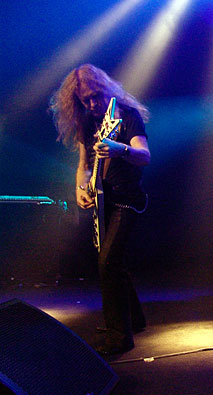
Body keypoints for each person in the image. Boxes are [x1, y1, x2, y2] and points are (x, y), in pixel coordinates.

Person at [50, 64, 150, 355]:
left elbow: (145, 156)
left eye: (96, 96)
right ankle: (135, 320)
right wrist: (80, 189)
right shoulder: (88, 122)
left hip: (127, 200)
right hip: (103, 201)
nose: (93, 104)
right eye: (86, 100)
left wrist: (120, 149)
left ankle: (120, 337)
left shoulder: (127, 116)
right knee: (112, 262)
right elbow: (83, 165)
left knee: (107, 263)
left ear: (107, 89)